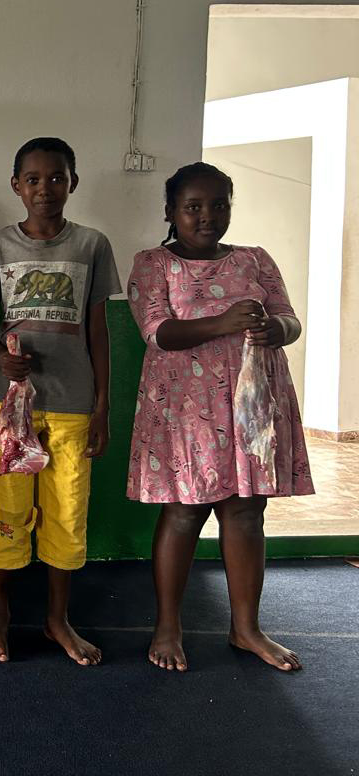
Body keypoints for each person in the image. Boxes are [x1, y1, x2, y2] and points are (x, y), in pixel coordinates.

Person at [127, 162, 312, 672]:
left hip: (252, 404)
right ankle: (168, 627)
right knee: (184, 511)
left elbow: (290, 317)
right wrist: (224, 322)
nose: (207, 215)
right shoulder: (153, 263)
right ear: (171, 211)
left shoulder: (255, 258)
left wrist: (277, 329)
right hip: (185, 410)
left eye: (218, 205)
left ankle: (246, 629)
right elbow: (157, 332)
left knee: (247, 511)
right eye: (193, 207)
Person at [0, 138, 119, 666]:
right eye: (33, 179)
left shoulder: (92, 244)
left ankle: (58, 621)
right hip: (10, 403)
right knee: (6, 510)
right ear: (16, 185)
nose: (45, 188)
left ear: (72, 182)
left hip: (72, 403)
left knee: (66, 510)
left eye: (56, 177)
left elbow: (98, 329)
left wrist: (102, 406)